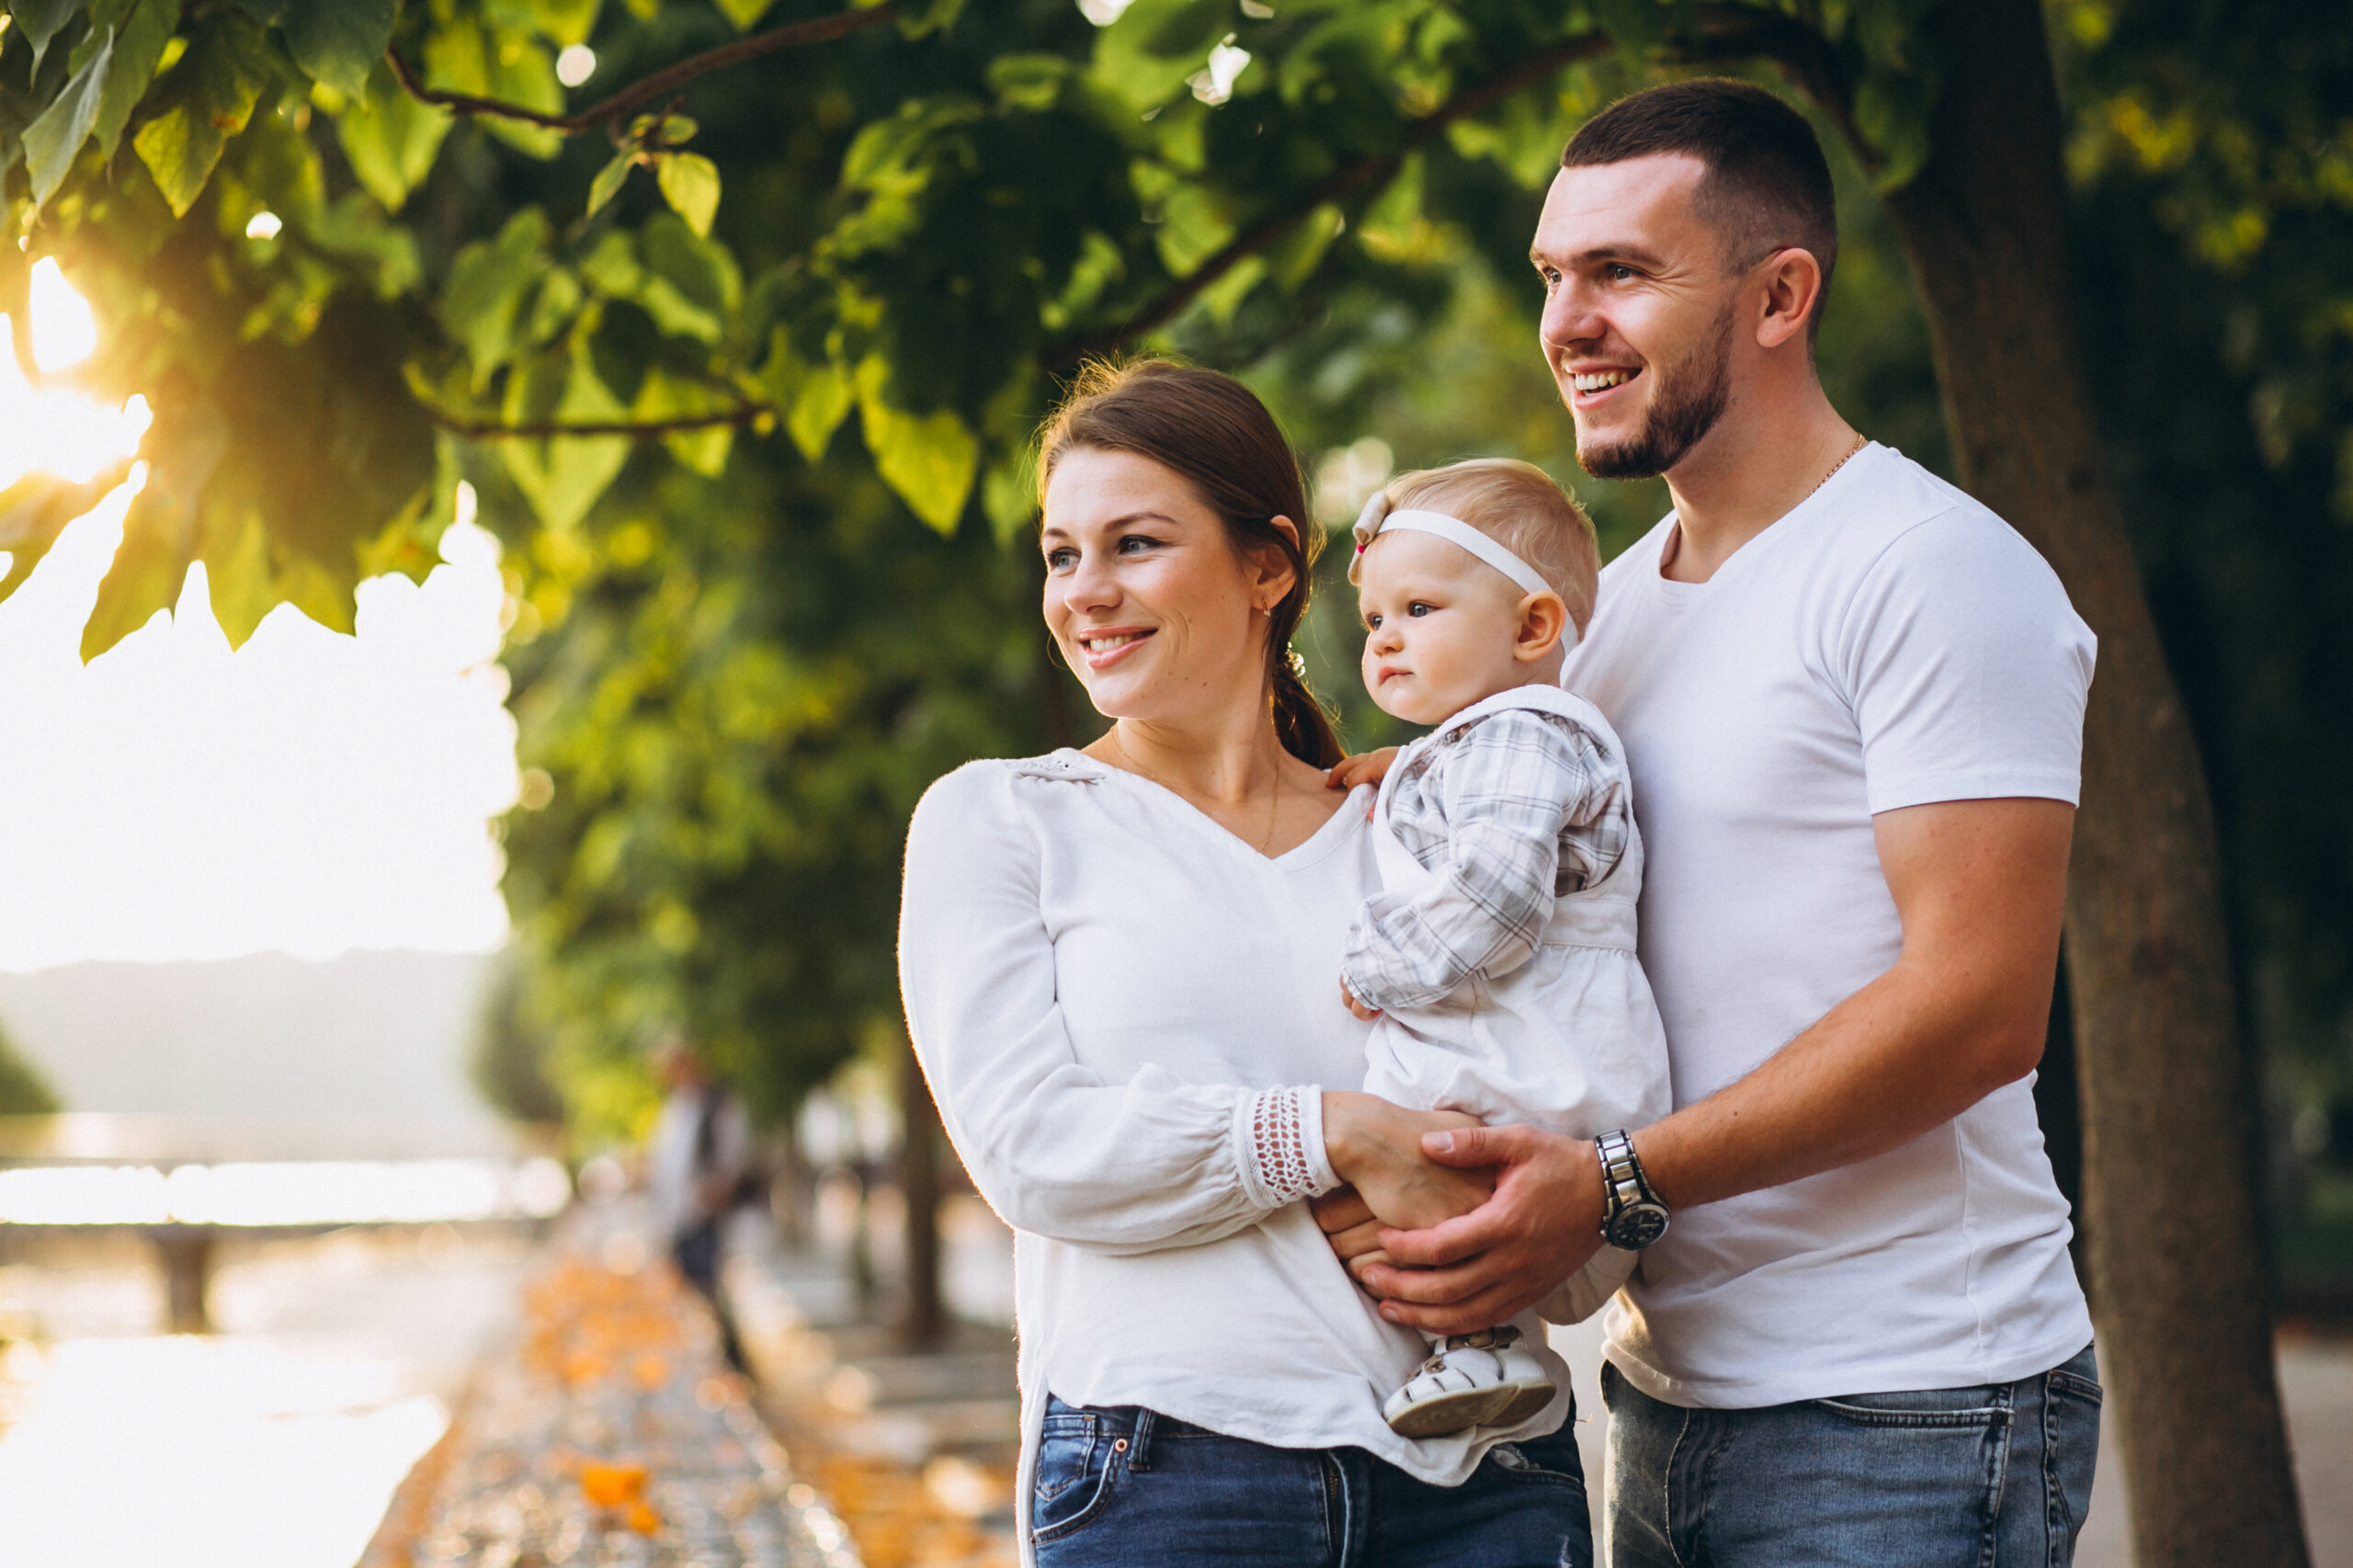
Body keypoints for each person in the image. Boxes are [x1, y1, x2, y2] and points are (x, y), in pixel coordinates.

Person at [1318, 80, 2103, 1564]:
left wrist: (1616, 1182)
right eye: (1552, 274)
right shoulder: (1599, 623)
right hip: (1667, 1395)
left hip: (1908, 1404)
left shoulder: (1931, 570)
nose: (1567, 322)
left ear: (1780, 295)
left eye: (1621, 271)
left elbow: (1981, 1007)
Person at [899, 360, 1594, 1568]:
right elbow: (1032, 1147)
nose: (1085, 590)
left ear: (1268, 565)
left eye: (1135, 543)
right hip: (1171, 1474)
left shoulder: (1430, 834)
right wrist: (1336, 1133)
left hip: (1488, 1481)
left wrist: (1502, 1215)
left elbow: (1574, 1092)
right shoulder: (1002, 818)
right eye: (1061, 554)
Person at [1336, 459, 1671, 1437]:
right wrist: (1408, 771)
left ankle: (1486, 1344)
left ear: (1531, 627)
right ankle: (1485, 1342)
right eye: (1374, 618)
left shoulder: (1518, 737)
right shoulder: (1496, 741)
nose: (1385, 636)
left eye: (1419, 608)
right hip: (1535, 1047)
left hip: (1528, 1049)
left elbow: (1496, 902)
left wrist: (1370, 967)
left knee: (1386, 1147)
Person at [647, 1040, 750, 1369]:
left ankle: (730, 1362)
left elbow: (732, 1155)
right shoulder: (677, 1107)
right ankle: (715, 1359)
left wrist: (717, 1190)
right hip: (679, 1213)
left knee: (709, 1287)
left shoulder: (715, 1104)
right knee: (692, 1285)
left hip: (701, 1212)